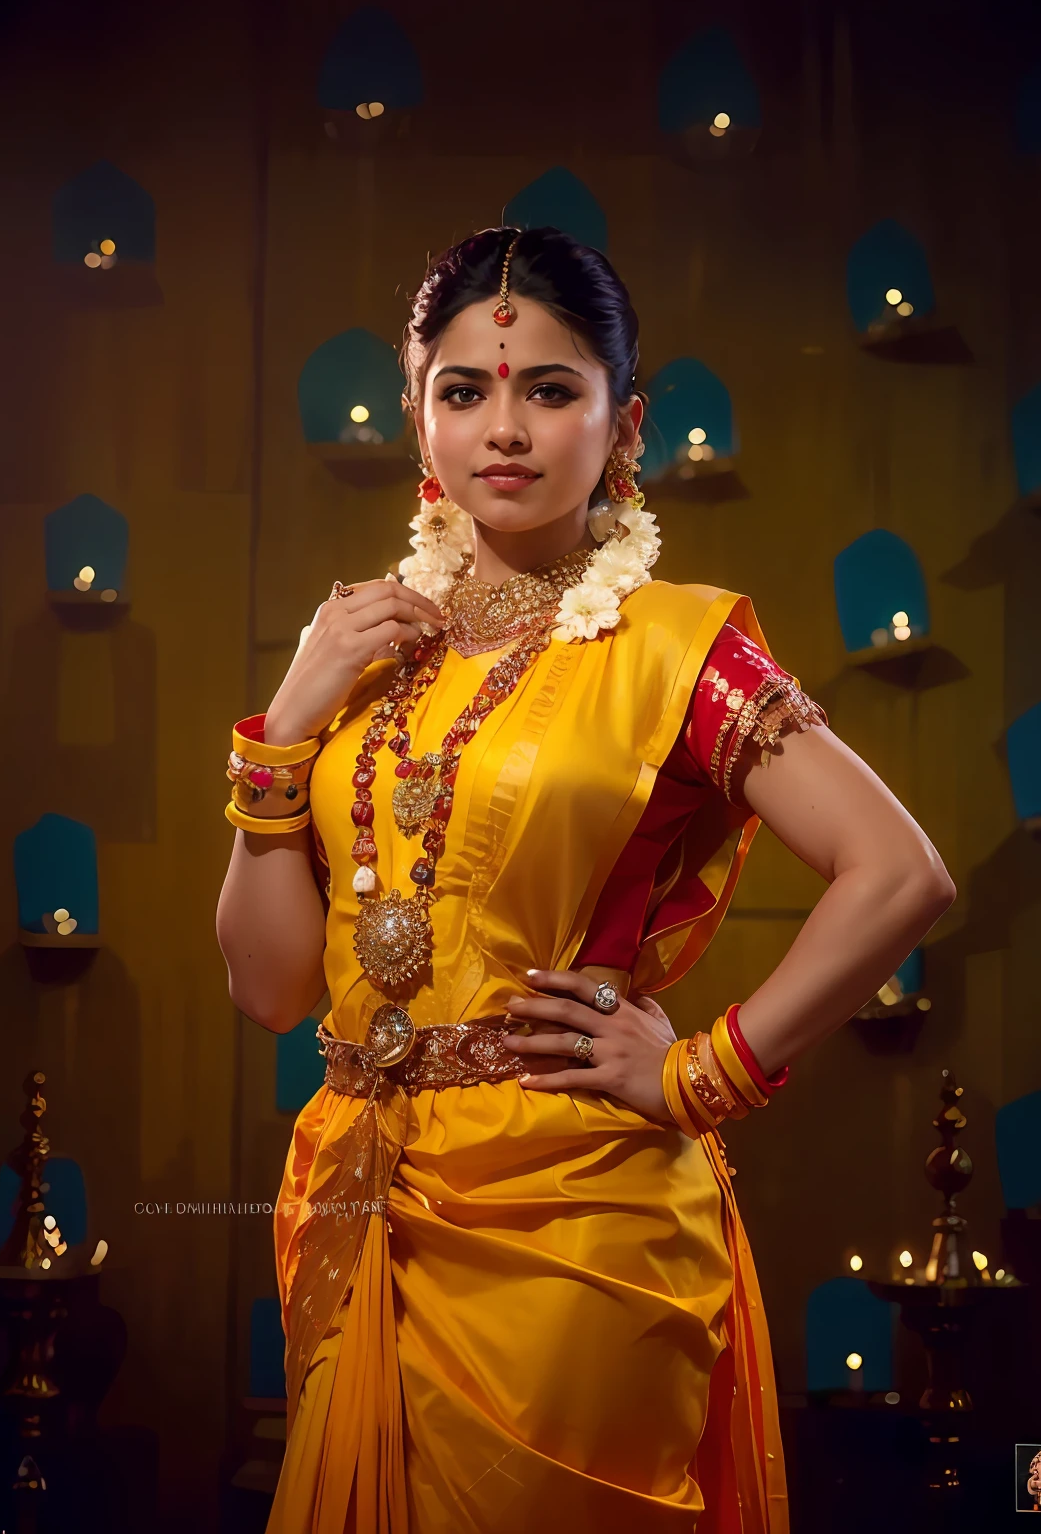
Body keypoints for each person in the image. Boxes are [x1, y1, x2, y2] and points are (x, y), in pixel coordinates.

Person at [215, 226, 955, 1534]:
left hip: (576, 1232)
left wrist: (702, 1073)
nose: (505, 428)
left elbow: (897, 875)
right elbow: (272, 985)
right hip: (359, 1198)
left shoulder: (677, 648)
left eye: (550, 390)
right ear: (418, 421)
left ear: (624, 425)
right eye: (466, 391)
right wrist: (282, 725)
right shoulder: (361, 651)